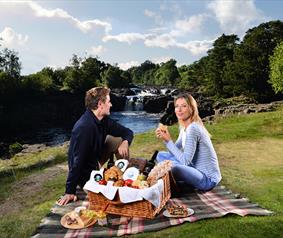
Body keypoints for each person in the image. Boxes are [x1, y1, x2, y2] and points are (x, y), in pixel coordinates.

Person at [57, 87, 134, 206]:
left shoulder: (104, 120)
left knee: (118, 139)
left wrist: (125, 142)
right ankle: (111, 183)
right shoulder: (84, 127)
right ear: (100, 104)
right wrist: (69, 191)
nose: (111, 104)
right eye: (109, 101)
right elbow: (77, 162)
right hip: (85, 172)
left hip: (96, 160)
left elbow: (128, 132)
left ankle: (124, 176)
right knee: (109, 196)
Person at [155, 94, 221, 191]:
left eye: (184, 106)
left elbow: (186, 161)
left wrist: (169, 141)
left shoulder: (193, 128)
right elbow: (174, 151)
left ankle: (180, 183)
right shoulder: (184, 128)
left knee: (174, 168)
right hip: (193, 168)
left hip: (207, 179)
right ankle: (182, 181)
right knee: (160, 155)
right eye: (177, 106)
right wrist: (166, 139)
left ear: (192, 109)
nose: (179, 109)